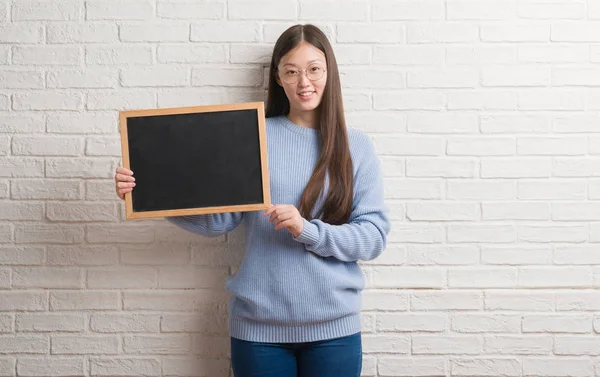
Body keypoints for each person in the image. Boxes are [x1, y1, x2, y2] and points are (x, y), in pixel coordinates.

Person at [115, 24, 390, 377]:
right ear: (278, 78)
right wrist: (146, 194)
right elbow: (221, 220)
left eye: (314, 69)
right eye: (291, 71)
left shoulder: (357, 146)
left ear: (329, 71)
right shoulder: (255, 135)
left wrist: (308, 230)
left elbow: (373, 237)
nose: (304, 81)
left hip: (335, 330)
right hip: (258, 331)